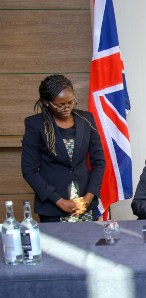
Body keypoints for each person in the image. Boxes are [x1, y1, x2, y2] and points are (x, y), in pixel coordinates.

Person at [21, 74, 105, 222]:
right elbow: (30, 171)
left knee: (88, 244)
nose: (67, 108)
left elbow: (99, 162)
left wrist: (88, 197)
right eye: (60, 104)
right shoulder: (35, 125)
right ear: (46, 102)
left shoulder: (86, 120)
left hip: (85, 205)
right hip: (53, 207)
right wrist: (60, 201)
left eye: (70, 102)